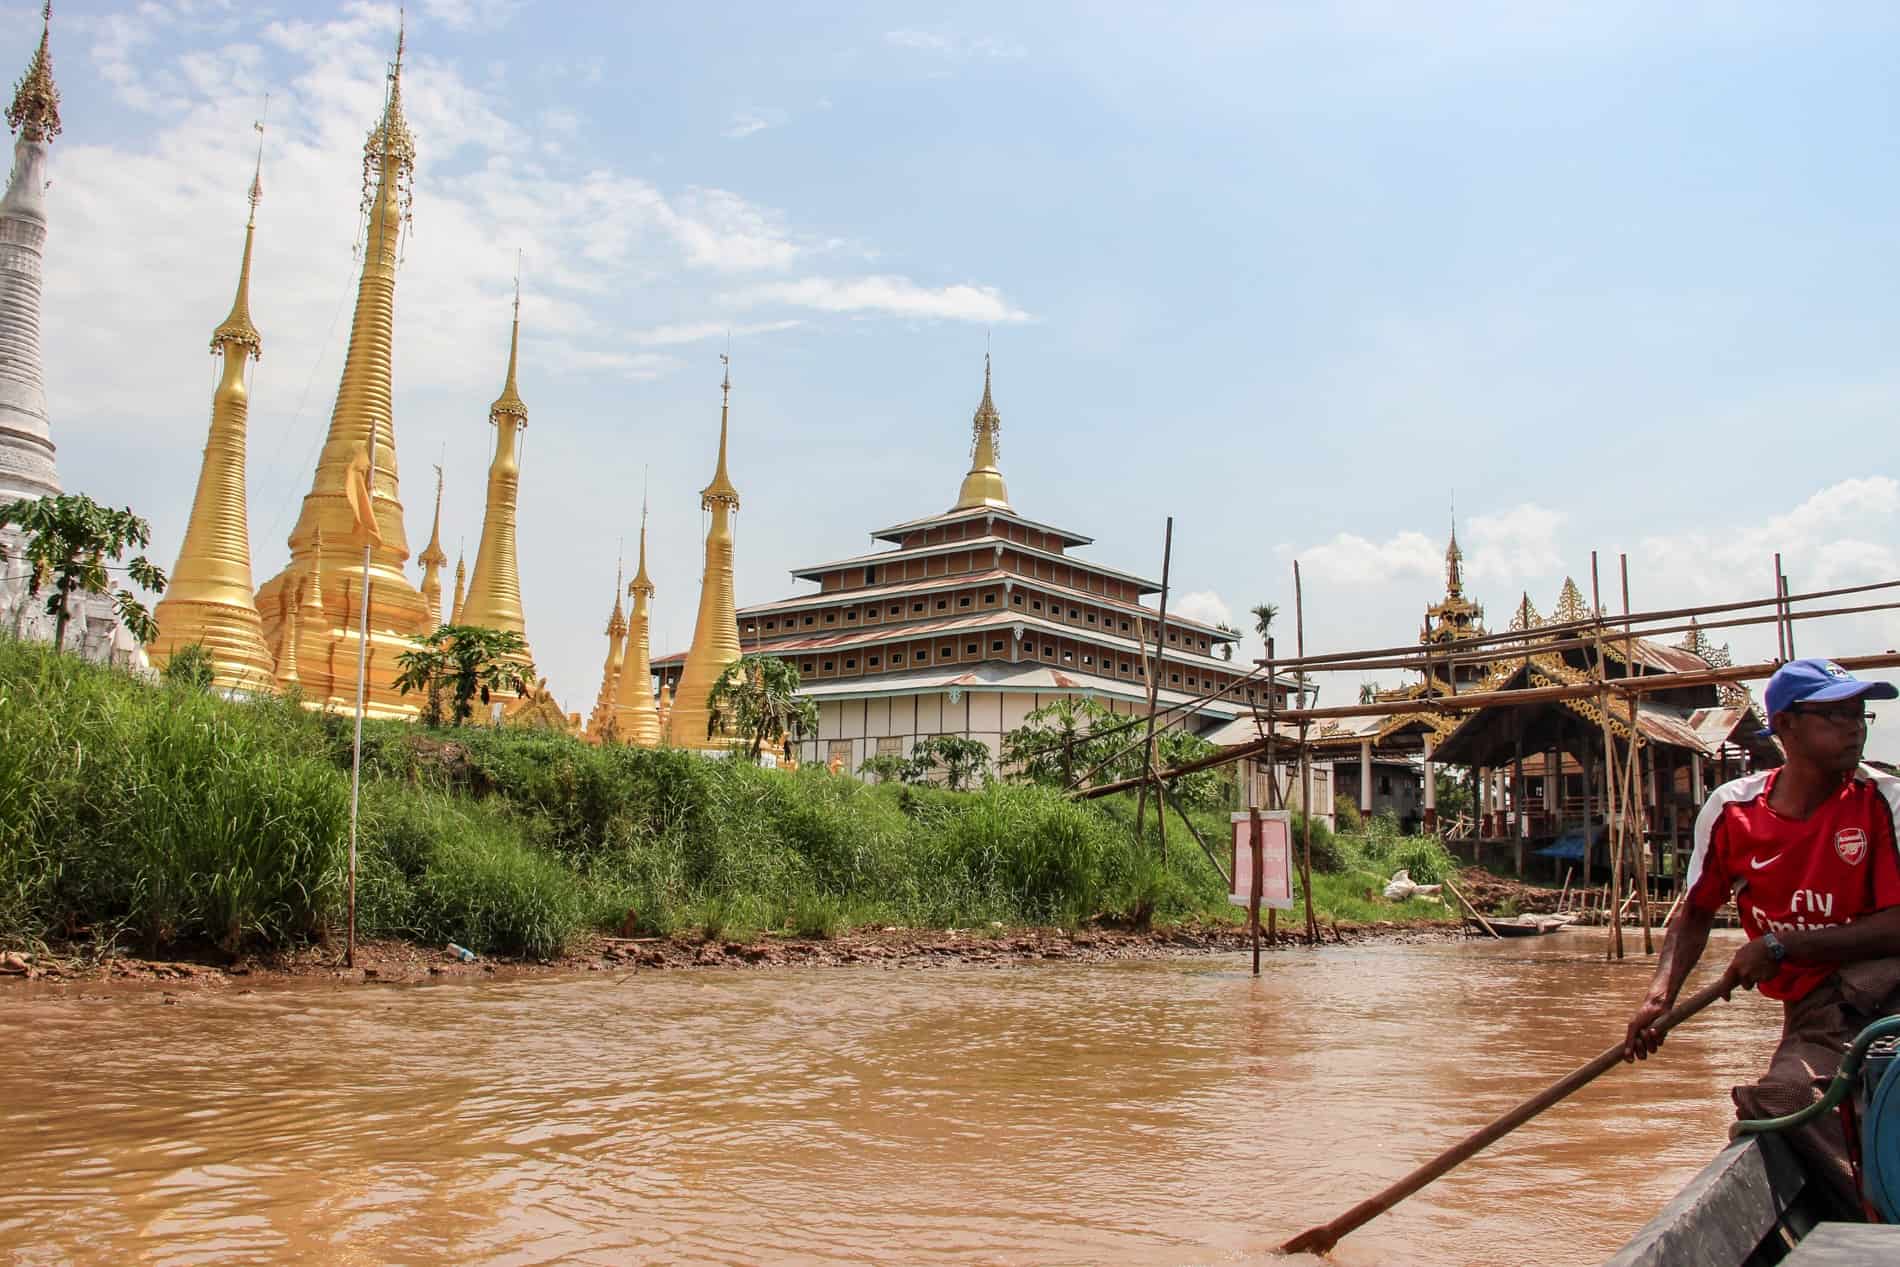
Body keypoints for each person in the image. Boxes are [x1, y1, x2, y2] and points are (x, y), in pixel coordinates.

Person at [1623, 658, 1900, 1214]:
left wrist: (1783, 946)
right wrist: (1660, 996)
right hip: (1817, 1009)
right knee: (1783, 1099)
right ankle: (1870, 1215)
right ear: (1787, 729)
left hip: (1885, 986)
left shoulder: (1884, 800)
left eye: (1857, 713)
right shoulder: (1734, 811)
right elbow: (1695, 914)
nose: (1854, 727)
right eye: (1834, 715)